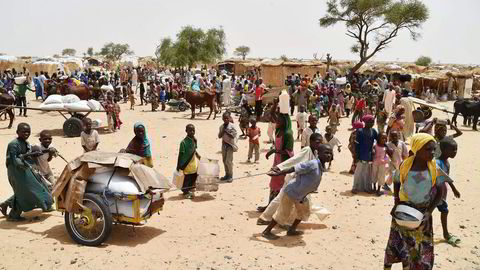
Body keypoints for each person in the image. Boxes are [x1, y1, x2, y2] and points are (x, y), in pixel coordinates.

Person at [384, 133, 446, 270]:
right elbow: (396, 182)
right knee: (400, 245)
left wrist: (429, 212)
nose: (432, 152)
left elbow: (441, 192)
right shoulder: (405, 165)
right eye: (428, 149)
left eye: (434, 149)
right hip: (403, 212)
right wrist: (396, 202)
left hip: (423, 215)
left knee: (421, 250)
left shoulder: (435, 168)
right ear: (417, 149)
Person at [261, 144, 333, 240]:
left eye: (330, 153)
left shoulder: (321, 166)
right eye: (326, 153)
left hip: (302, 195)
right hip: (292, 192)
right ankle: (266, 231)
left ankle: (291, 230)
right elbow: (295, 167)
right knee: (283, 213)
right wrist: (279, 172)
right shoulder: (312, 164)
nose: (328, 155)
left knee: (304, 212)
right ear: (318, 153)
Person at [0, 123, 54, 221]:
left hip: (26, 170)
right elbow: (13, 160)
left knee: (32, 189)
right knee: (24, 192)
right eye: (24, 132)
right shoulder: (13, 144)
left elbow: (27, 157)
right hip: (16, 172)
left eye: (28, 132)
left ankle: (7, 205)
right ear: (17, 132)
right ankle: (13, 215)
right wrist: (25, 157)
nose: (26, 134)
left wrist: (32, 155)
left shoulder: (27, 143)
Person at [258, 113, 294, 212]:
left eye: (279, 120)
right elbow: (271, 116)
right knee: (274, 182)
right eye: (277, 119)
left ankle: (278, 209)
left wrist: (274, 151)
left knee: (282, 184)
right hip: (277, 160)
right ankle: (270, 206)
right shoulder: (278, 131)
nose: (277, 121)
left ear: (285, 122)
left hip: (285, 162)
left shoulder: (288, 133)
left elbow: (289, 151)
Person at [436, 137, 461, 246]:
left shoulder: (446, 162)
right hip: (435, 193)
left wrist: (454, 188)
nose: (455, 152)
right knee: (429, 211)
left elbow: (446, 177)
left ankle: (446, 234)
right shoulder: (437, 162)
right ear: (443, 149)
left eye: (456, 149)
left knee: (444, 211)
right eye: (452, 150)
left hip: (442, 192)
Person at [352, 115, 378, 194]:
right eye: (369, 122)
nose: (371, 123)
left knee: (367, 172)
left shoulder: (373, 131)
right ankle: (355, 187)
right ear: (365, 122)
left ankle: (367, 187)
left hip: (369, 155)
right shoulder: (360, 131)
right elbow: (356, 145)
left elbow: (378, 140)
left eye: (372, 122)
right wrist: (356, 155)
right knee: (359, 171)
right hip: (361, 154)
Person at [177, 124, 201, 199]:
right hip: (186, 164)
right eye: (190, 130)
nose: (192, 132)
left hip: (193, 162)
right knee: (187, 178)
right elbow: (180, 155)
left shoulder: (194, 140)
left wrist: (199, 156)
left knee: (194, 175)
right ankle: (185, 192)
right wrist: (178, 165)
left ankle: (190, 189)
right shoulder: (183, 142)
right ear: (186, 131)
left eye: (193, 130)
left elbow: (194, 150)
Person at [218, 112, 237, 182]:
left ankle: (231, 176)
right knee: (224, 161)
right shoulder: (221, 127)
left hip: (230, 145)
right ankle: (227, 174)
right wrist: (223, 131)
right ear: (222, 119)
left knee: (229, 161)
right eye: (224, 118)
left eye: (227, 118)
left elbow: (233, 136)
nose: (226, 120)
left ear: (229, 118)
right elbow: (219, 136)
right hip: (224, 145)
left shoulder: (232, 126)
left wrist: (226, 131)